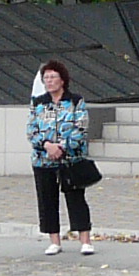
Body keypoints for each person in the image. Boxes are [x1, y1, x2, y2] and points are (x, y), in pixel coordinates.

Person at [29, 59, 97, 256]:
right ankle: (54, 240)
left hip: (70, 159)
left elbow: (81, 127)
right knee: (47, 199)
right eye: (46, 78)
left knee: (76, 198)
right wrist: (47, 146)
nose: (49, 81)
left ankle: (85, 239)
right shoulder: (38, 103)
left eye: (53, 77)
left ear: (62, 80)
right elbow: (31, 130)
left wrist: (63, 147)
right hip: (43, 159)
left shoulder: (76, 101)